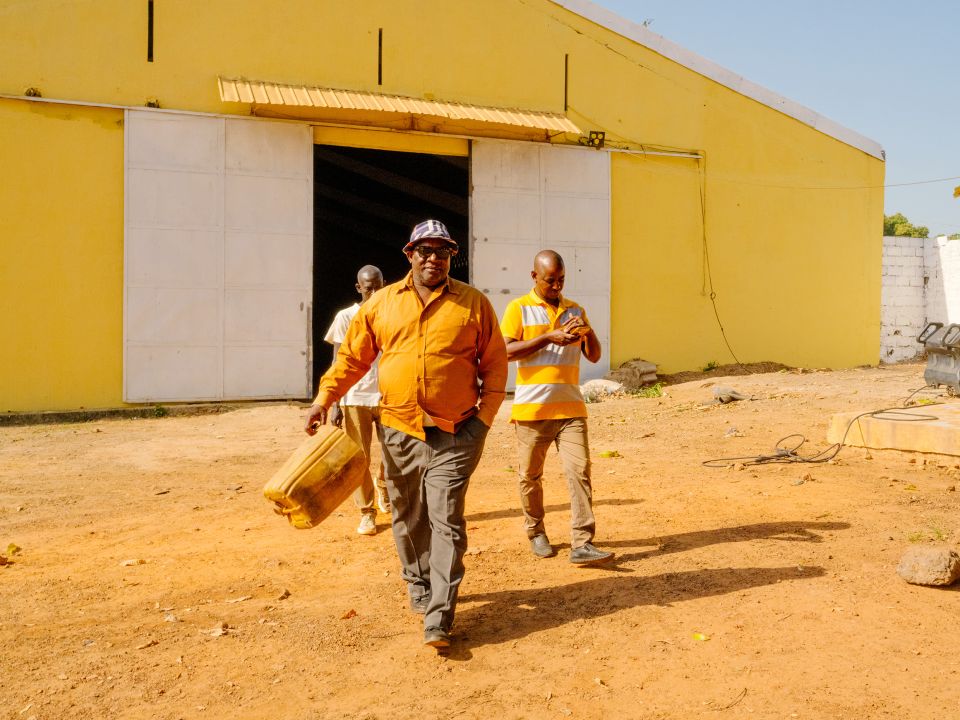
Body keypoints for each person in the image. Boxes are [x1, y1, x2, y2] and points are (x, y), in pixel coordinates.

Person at [304, 219, 507, 651]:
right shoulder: (380, 304)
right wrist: (326, 399)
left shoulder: (474, 304)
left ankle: (439, 615)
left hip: (456, 431)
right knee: (407, 517)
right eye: (425, 251)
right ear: (409, 254)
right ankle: (418, 582)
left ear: (452, 256)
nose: (434, 259)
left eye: (443, 252)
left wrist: (483, 421)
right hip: (398, 430)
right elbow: (352, 361)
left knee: (446, 518)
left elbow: (494, 365)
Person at [500, 249, 614, 566]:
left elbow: (593, 355)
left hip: (571, 409)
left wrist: (587, 331)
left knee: (579, 471)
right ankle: (536, 532)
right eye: (551, 280)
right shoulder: (518, 309)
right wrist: (549, 337)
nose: (557, 286)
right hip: (532, 411)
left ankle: (583, 542)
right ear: (534, 276)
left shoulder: (574, 310)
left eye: (562, 279)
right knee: (530, 477)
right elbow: (506, 351)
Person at [323, 265, 389, 537]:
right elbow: (338, 361)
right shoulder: (345, 317)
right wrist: (334, 401)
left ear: (384, 284)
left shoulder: (392, 313)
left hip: (389, 396)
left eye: (377, 286)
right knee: (359, 458)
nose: (373, 291)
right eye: (368, 287)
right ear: (358, 288)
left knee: (395, 453)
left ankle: (384, 487)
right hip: (355, 398)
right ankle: (367, 512)